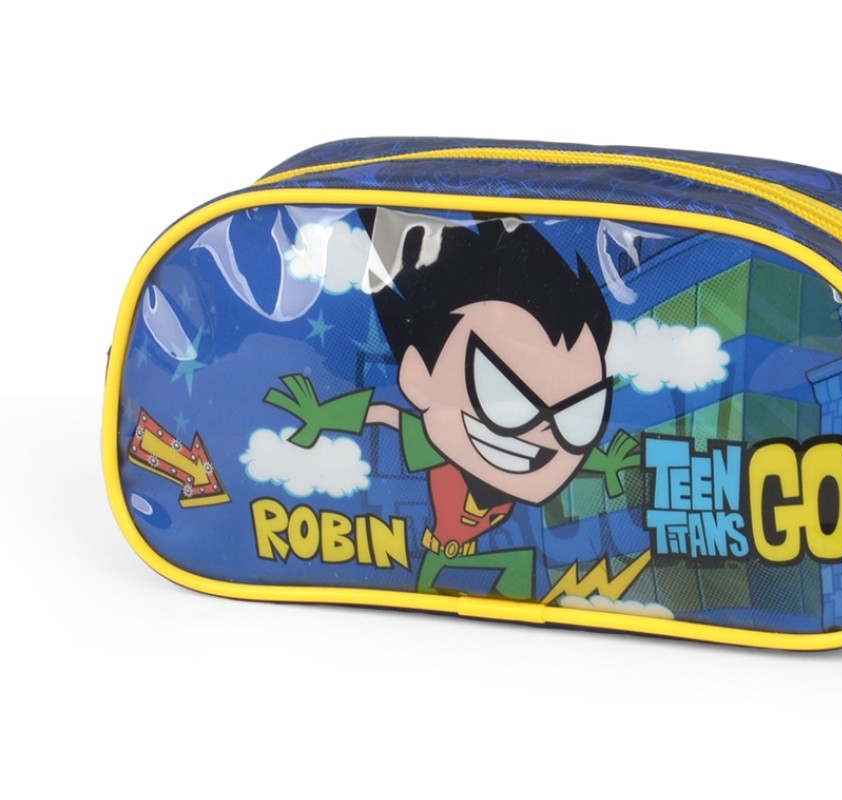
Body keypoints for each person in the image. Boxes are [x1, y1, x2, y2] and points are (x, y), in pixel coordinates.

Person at [264, 213, 638, 600]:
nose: (543, 432)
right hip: (437, 556)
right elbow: (385, 415)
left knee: (513, 567)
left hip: (464, 558)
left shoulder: (520, 447)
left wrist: (608, 464)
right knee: (438, 582)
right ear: (417, 376)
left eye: (580, 414)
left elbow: (568, 450)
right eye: (501, 393)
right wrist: (321, 417)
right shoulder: (440, 447)